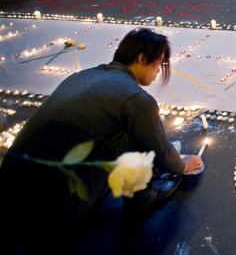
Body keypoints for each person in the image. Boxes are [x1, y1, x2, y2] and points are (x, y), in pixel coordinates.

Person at [0, 28, 202, 251]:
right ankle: (142, 199)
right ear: (142, 58)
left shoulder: (82, 76)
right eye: (158, 64)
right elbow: (161, 153)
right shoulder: (136, 99)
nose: (158, 73)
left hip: (9, 194)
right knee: (135, 133)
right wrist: (183, 164)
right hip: (50, 213)